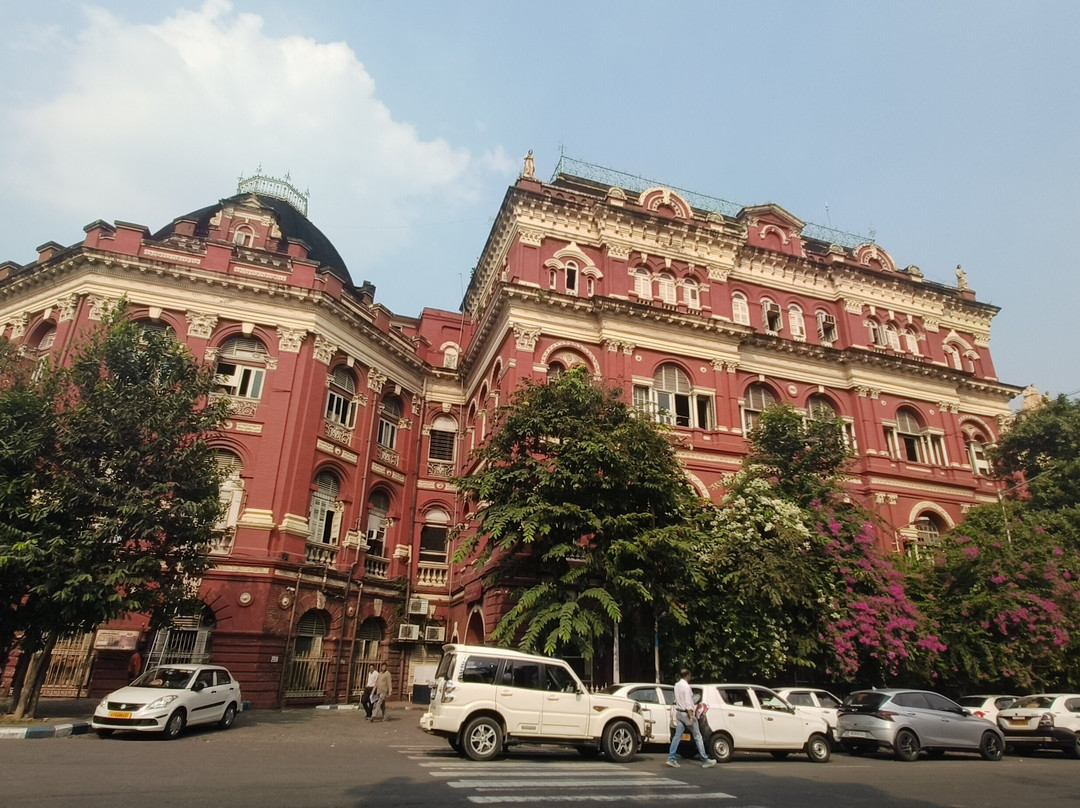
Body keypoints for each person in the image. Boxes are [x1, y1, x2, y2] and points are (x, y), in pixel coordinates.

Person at [666, 668, 716, 768]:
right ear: (688, 675)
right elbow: (689, 704)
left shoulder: (677, 685)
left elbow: (677, 700)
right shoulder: (686, 687)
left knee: (677, 736)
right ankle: (705, 760)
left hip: (679, 713)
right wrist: (691, 717)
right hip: (686, 714)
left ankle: (671, 758)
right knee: (698, 736)